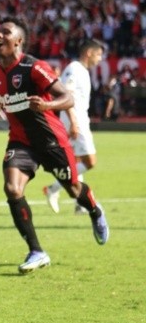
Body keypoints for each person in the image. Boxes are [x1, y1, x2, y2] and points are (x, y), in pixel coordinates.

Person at [0, 18, 109, 274]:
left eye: (5, 32)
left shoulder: (35, 68)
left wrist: (47, 105)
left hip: (51, 140)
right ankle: (37, 251)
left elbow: (67, 97)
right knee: (12, 188)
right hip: (21, 141)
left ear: (18, 41)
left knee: (74, 189)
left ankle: (95, 211)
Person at [43, 40, 105, 214]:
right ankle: (53, 189)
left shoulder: (82, 70)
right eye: (98, 54)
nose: (100, 59)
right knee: (90, 161)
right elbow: (66, 94)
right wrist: (73, 122)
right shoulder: (74, 68)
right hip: (74, 119)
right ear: (89, 53)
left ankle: (80, 203)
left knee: (75, 162)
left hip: (77, 119)